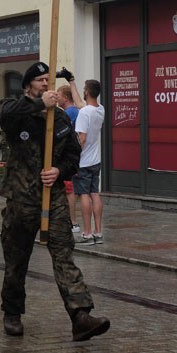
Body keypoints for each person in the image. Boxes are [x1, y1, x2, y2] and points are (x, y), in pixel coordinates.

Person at [0, 61, 110, 341]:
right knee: (16, 259)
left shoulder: (59, 119)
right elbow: (6, 114)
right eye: (39, 80)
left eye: (48, 80)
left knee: (63, 254)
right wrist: (38, 105)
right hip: (22, 198)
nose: (45, 84)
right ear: (28, 86)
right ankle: (12, 313)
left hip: (55, 197)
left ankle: (80, 315)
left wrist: (59, 170)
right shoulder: (17, 111)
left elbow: (74, 157)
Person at [74, 79, 106, 245]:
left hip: (83, 161)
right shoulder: (100, 110)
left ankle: (87, 233)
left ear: (87, 92)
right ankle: (98, 232)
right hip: (96, 160)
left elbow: (82, 138)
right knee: (95, 193)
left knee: (84, 195)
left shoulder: (84, 113)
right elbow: (80, 103)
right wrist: (72, 81)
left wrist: (74, 157)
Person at [56, 67, 82, 233]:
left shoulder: (69, 113)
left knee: (69, 189)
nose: (56, 99)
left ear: (65, 97)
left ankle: (73, 222)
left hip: (69, 158)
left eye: (58, 96)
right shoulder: (75, 110)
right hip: (74, 157)